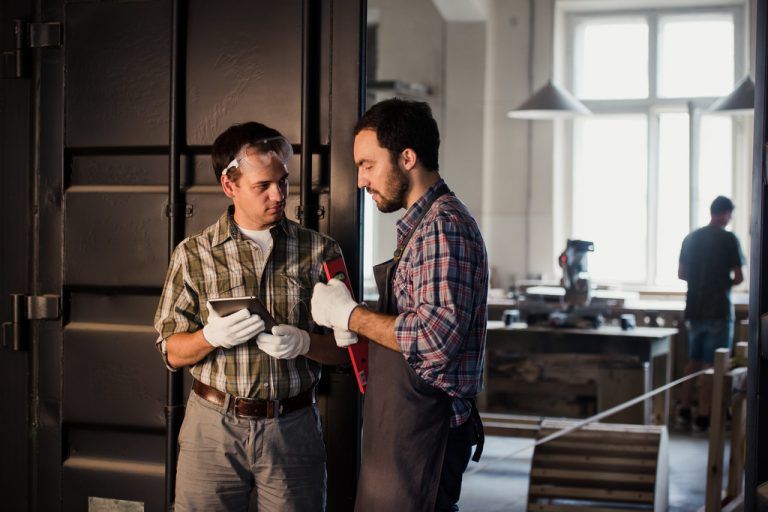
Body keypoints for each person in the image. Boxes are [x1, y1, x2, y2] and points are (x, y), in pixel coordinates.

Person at [153, 121, 352, 511]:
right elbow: (171, 352)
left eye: (283, 181)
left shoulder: (321, 251)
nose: (279, 195)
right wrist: (209, 337)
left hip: (293, 428)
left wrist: (308, 342)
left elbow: (349, 353)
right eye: (263, 186)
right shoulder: (193, 254)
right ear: (230, 186)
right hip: (212, 428)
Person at [311, 98, 488, 512]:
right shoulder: (419, 229)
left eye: (368, 165)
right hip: (405, 430)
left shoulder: (443, 229)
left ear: (407, 157)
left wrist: (350, 314)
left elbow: (433, 340)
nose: (360, 180)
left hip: (428, 435)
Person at [677, 195, 745, 431]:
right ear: (725, 214)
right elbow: (738, 277)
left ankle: (684, 408)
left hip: (694, 309)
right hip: (718, 310)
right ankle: (704, 414)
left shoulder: (692, 238)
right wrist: (720, 282)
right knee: (712, 365)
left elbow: (681, 273)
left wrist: (700, 281)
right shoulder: (728, 239)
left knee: (693, 361)